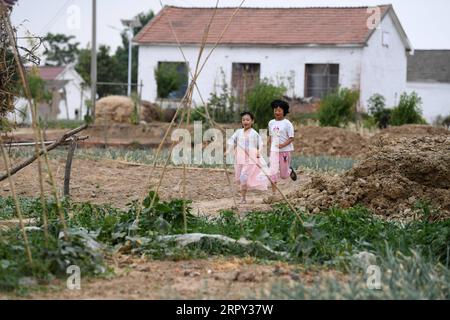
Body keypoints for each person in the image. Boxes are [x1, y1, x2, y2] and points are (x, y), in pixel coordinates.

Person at [227, 111, 269, 204]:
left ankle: (243, 198)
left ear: (252, 121)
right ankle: (244, 191)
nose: (245, 121)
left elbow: (261, 144)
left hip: (250, 157)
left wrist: (259, 152)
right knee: (238, 178)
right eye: (243, 120)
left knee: (243, 176)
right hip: (239, 157)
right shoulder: (238, 132)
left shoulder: (254, 133)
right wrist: (228, 150)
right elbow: (231, 141)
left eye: (247, 120)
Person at [268, 99, 297, 195]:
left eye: (279, 110)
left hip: (285, 151)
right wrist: (267, 145)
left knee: (284, 176)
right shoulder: (271, 122)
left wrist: (282, 145)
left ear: (284, 111)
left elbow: (291, 138)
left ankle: (289, 170)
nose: (277, 112)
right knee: (273, 172)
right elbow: (271, 136)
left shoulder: (287, 123)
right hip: (274, 151)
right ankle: (274, 193)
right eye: (275, 110)